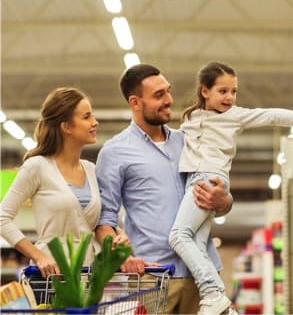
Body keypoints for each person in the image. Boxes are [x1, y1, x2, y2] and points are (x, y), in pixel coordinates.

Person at [168, 61, 293, 314]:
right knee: (198, 242)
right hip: (194, 178)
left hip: (208, 178)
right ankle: (224, 307)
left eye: (233, 91)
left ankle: (212, 293)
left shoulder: (234, 115)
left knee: (178, 236)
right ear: (205, 91)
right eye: (223, 91)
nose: (230, 97)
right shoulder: (192, 117)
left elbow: (271, 115)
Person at [94, 64, 233, 315]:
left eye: (168, 92)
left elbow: (220, 203)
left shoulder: (189, 141)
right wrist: (120, 255)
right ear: (135, 102)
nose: (169, 100)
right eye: (158, 95)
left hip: (203, 274)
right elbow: (104, 222)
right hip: (152, 278)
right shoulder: (115, 152)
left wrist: (223, 200)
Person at [0, 87, 128, 279]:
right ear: (66, 127)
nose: (95, 122)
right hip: (50, 277)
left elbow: (106, 222)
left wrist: (120, 235)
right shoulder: (37, 167)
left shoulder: (92, 170)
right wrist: (38, 256)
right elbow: (2, 218)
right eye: (86, 117)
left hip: (88, 277)